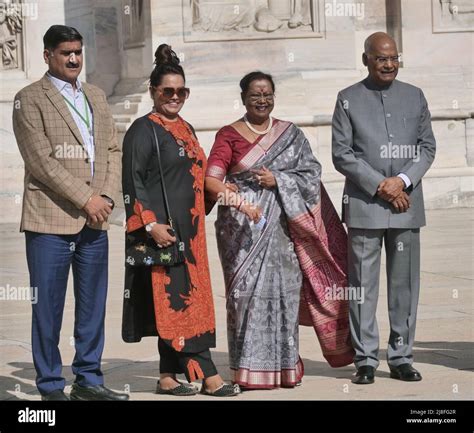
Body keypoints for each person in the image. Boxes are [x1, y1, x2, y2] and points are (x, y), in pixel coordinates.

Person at [205, 71, 354, 389]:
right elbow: (212, 180)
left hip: (286, 234)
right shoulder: (228, 135)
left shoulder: (291, 134)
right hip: (242, 233)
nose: (262, 100)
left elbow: (312, 173)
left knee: (284, 298)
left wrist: (279, 180)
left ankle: (286, 369)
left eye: (267, 94)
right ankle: (247, 371)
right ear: (243, 97)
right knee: (245, 299)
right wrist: (242, 203)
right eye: (255, 95)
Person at [12, 25, 126, 401]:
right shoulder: (28, 99)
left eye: (78, 51)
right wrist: (86, 199)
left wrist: (106, 195)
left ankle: (89, 380)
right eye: (66, 53)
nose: (74, 59)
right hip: (50, 220)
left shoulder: (95, 94)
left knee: (93, 306)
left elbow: (112, 149)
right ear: (48, 56)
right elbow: (41, 161)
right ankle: (49, 386)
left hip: (95, 220)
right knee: (48, 307)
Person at [121, 44, 239, 397]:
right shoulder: (143, 130)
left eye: (181, 91)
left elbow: (195, 175)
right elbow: (131, 182)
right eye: (167, 91)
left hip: (193, 235)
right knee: (180, 301)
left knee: (180, 301)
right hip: (165, 234)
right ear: (153, 92)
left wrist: (219, 190)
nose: (175, 97)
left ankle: (167, 376)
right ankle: (210, 376)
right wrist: (149, 225)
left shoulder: (185, 127)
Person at [331, 32, 436, 385]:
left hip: (407, 205)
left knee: (404, 285)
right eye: (381, 58)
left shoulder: (414, 96)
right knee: (362, 286)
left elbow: (427, 148)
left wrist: (403, 181)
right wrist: (381, 185)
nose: (389, 64)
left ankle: (401, 356)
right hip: (365, 204)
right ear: (366, 60)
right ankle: (364, 359)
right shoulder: (347, 99)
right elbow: (342, 154)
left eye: (393, 58)